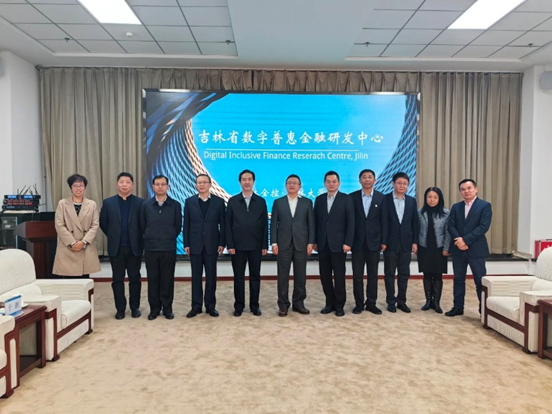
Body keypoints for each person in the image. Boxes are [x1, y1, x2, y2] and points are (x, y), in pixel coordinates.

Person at [99, 172, 145, 320]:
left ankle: (134, 307)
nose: (124, 185)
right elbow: (103, 223)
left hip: (134, 247)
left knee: (135, 279)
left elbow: (144, 224)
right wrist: (114, 236)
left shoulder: (140, 203)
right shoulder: (108, 203)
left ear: (132, 184)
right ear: (117, 184)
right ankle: (120, 309)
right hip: (116, 248)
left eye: (127, 182)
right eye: (121, 182)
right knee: (117, 280)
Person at [446, 179, 492, 317]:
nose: (466, 191)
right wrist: (459, 240)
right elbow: (451, 225)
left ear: (476, 189)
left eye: (469, 188)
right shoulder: (456, 207)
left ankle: (483, 309)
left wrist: (465, 240)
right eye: (463, 189)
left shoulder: (485, 206)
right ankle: (458, 307)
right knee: (458, 280)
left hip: (476, 249)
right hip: (458, 249)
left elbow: (483, 227)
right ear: (460, 192)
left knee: (479, 280)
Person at [271, 174, 315, 317]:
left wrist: (310, 242)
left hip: (301, 244)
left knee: (300, 275)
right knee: (282, 276)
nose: (292, 185)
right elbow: (274, 224)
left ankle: (298, 303)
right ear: (285, 185)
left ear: (300, 186)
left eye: (295, 183)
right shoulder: (278, 202)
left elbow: (311, 224)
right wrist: (274, 242)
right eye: (289, 182)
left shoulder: (307, 202)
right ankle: (283, 305)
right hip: (283, 244)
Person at [140, 175, 182, 321]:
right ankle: (154, 309)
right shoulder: (146, 205)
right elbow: (142, 225)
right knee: (153, 279)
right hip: (151, 248)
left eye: (163, 184)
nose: (160, 187)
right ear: (153, 187)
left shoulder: (175, 205)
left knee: (167, 279)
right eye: (157, 184)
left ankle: (167, 309)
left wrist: (168, 236)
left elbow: (178, 226)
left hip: (168, 247)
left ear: (167, 187)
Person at [226, 170, 268, 317]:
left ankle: (254, 306)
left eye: (249, 179)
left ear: (253, 182)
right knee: (238, 278)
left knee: (255, 277)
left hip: (256, 246)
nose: (247, 182)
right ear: (240, 182)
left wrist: (264, 245)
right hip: (237, 247)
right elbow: (228, 225)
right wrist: (230, 245)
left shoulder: (261, 201)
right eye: (244, 179)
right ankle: (239, 306)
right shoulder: (233, 201)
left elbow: (264, 225)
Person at [183, 174, 226, 318]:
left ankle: (210, 306)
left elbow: (223, 224)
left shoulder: (219, 202)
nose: (201, 184)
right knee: (196, 277)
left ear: (210, 184)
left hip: (212, 245)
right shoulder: (189, 202)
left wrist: (222, 243)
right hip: (195, 244)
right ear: (196, 185)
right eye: (199, 182)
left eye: (204, 182)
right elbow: (186, 224)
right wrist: (186, 243)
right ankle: (196, 307)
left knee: (211, 277)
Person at [313, 171, 355, 317]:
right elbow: (315, 222)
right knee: (325, 276)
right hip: (323, 244)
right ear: (324, 183)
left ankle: (339, 305)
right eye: (328, 181)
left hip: (339, 245)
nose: (331, 184)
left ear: (339, 183)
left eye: (334, 181)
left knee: (339, 276)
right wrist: (315, 241)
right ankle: (329, 303)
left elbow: (351, 223)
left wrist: (348, 242)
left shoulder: (346, 199)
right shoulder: (319, 200)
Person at [381, 172, 419, 313]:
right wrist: (383, 241)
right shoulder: (385, 199)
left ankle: (401, 301)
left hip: (406, 243)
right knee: (389, 273)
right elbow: (383, 222)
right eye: (399, 183)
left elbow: (414, 223)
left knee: (404, 274)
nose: (402, 186)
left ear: (408, 185)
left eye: (405, 183)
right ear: (393, 184)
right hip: (390, 243)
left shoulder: (411, 201)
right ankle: (390, 301)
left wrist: (415, 242)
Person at [350, 169, 385, 315]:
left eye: (370, 177)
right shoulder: (352, 197)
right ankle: (359, 303)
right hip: (357, 243)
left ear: (374, 180)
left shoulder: (381, 198)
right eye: (364, 177)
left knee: (373, 275)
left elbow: (384, 221)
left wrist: (383, 241)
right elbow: (349, 222)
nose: (367, 179)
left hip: (374, 242)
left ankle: (371, 303)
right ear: (359, 180)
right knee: (357, 276)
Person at [53, 174, 101, 278]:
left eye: (81, 185)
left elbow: (95, 225)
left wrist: (83, 242)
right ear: (70, 188)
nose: (78, 188)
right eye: (75, 185)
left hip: (85, 247)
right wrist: (72, 243)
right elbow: (59, 225)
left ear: (85, 187)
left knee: (84, 280)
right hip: (68, 247)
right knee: (69, 282)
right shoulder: (62, 203)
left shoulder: (92, 204)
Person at [417, 187, 451, 314]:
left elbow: (448, 232)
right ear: (425, 198)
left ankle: (436, 302)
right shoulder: (420, 212)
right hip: (424, 247)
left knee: (437, 274)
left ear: (439, 199)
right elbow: (416, 229)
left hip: (439, 248)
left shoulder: (446, 213)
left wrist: (446, 248)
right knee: (426, 274)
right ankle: (428, 301)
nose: (432, 200)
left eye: (435, 197)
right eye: (429, 197)